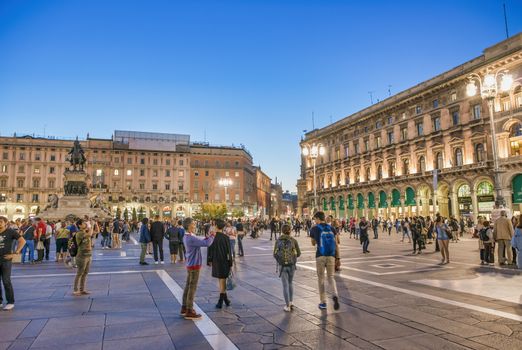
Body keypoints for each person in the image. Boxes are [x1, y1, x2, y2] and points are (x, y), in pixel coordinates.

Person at [181, 218, 214, 320]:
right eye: (193, 224)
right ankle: (189, 310)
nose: (195, 226)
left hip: (190, 264)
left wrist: (207, 237)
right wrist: (213, 235)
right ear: (189, 226)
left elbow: (201, 240)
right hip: (194, 265)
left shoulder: (188, 236)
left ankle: (184, 307)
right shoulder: (190, 238)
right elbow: (207, 243)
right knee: (192, 287)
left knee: (188, 286)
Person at [310, 211, 339, 311]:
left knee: (321, 279)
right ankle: (335, 294)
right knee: (331, 277)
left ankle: (323, 302)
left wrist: (315, 238)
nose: (314, 220)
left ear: (318, 218)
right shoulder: (331, 228)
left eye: (315, 219)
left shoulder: (314, 228)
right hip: (331, 256)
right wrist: (338, 258)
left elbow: (313, 243)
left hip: (320, 256)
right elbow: (336, 243)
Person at [0, 216, 26, 310]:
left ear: (6, 223)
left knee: (6, 281)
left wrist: (15, 252)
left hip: (6, 259)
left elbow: (22, 241)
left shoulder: (10, 231)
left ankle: (10, 302)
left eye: (1, 222)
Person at [274, 224, 301, 312]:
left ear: (282, 231)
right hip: (292, 265)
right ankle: (291, 302)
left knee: (285, 285)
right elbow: (299, 253)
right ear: (290, 231)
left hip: (282, 266)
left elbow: (274, 253)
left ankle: (287, 306)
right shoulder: (293, 240)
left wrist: (279, 261)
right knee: (290, 283)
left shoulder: (278, 240)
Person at [207, 219, 233, 309]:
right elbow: (229, 252)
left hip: (216, 261)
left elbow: (209, 249)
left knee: (221, 280)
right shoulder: (226, 237)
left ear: (216, 226)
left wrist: (209, 260)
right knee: (222, 280)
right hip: (224, 261)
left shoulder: (212, 237)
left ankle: (222, 301)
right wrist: (230, 263)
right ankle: (223, 300)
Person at [72, 219, 92, 296]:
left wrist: (95, 225)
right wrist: (91, 226)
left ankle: (82, 289)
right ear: (79, 225)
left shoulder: (85, 232)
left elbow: (96, 232)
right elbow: (90, 234)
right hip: (81, 256)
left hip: (88, 255)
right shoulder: (79, 233)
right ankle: (75, 290)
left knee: (85, 273)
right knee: (80, 273)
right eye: (83, 223)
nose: (85, 224)